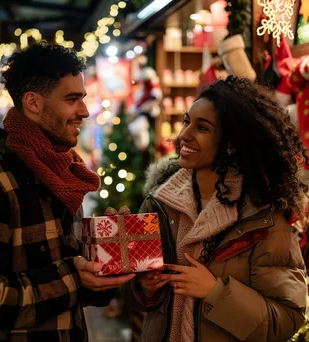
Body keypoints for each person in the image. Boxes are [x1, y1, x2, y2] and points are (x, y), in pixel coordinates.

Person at [0, 42, 135, 341]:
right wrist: (73, 277)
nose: (83, 111)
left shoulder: (64, 173)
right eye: (72, 99)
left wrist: (104, 261)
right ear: (33, 103)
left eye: (82, 98)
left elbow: (75, 287)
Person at [122, 76, 308, 342]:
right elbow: (136, 301)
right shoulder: (159, 205)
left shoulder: (262, 218)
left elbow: (287, 320)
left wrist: (215, 292)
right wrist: (144, 287)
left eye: (202, 128)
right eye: (187, 122)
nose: (184, 135)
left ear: (231, 143)